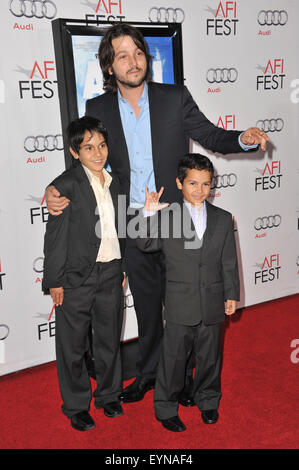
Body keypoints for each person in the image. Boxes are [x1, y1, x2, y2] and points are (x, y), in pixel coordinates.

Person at [45, 23, 269, 406]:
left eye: (137, 52)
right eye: (122, 55)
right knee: (147, 307)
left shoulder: (173, 97)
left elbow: (212, 136)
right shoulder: (97, 109)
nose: (133, 62)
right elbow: (89, 160)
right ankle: (150, 375)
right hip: (131, 221)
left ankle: (182, 380)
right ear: (110, 66)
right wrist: (55, 189)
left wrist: (242, 140)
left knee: (187, 307)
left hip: (177, 219)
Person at [137, 153, 240, 432]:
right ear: (179, 183)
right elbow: (145, 243)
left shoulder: (223, 218)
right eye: (193, 183)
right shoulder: (168, 216)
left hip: (212, 300)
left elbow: (228, 261)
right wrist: (148, 213)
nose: (200, 190)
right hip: (180, 302)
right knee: (173, 358)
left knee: (210, 356)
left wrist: (231, 294)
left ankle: (208, 400)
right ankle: (166, 407)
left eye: (206, 184)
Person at [42, 116, 126, 431]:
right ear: (75, 151)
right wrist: (55, 281)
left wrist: (123, 266)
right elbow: (55, 238)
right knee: (72, 345)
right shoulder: (65, 185)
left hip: (111, 273)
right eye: (88, 147)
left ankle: (109, 395)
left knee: (108, 340)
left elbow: (121, 229)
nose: (97, 153)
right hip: (75, 279)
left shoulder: (115, 181)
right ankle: (77, 405)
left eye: (101, 145)